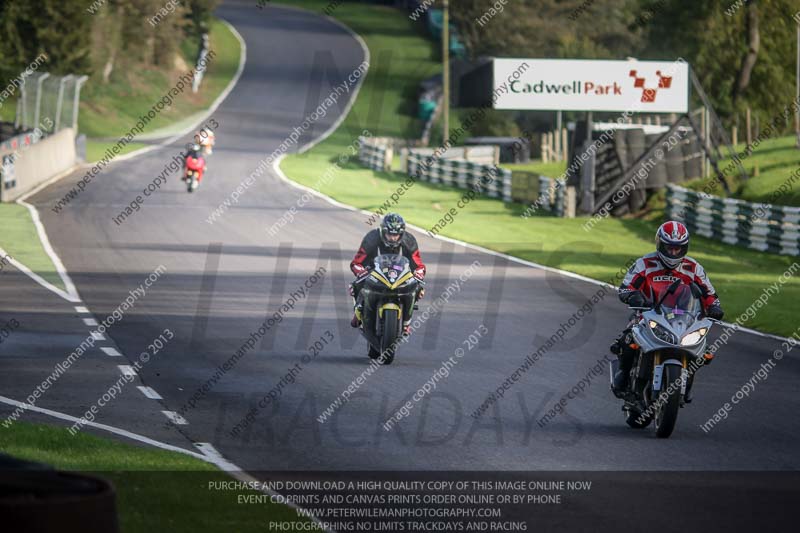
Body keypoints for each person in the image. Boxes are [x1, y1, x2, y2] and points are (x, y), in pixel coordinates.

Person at [611, 221, 724, 396]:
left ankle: (686, 381)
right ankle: (624, 374)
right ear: (660, 245)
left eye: (677, 248)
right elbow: (626, 287)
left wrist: (714, 306)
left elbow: (709, 293)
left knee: (705, 351)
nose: (673, 252)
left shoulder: (693, 268)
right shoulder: (644, 263)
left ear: (684, 247)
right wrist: (633, 296)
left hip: (685, 317)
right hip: (648, 313)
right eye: (669, 248)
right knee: (627, 339)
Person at [350, 213, 426, 335]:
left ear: (401, 233)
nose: (392, 238)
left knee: (418, 287)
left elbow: (419, 265)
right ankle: (358, 311)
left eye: (396, 235)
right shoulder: (371, 238)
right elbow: (356, 262)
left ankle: (406, 322)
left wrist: (418, 274)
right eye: (389, 234)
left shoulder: (409, 240)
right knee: (357, 284)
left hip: (401, 273)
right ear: (382, 231)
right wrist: (361, 272)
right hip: (374, 271)